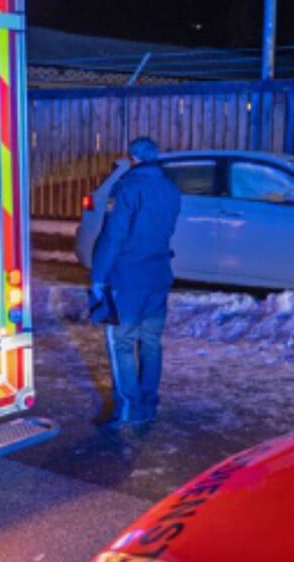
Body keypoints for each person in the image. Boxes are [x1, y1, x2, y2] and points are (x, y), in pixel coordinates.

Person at [91, 136, 181, 428]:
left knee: (123, 343)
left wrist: (98, 276)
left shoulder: (128, 188)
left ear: (132, 158)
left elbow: (113, 236)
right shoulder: (170, 189)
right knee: (152, 341)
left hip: (127, 277)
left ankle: (128, 408)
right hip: (158, 273)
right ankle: (148, 404)